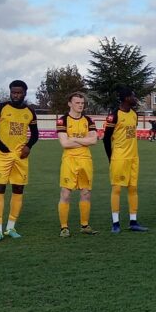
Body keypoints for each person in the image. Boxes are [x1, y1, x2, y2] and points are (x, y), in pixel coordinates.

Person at [0, 80, 38, 241]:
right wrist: (4, 149)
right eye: (13, 92)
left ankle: (10, 227)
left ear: (24, 93)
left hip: (20, 157)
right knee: (0, 189)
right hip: (3, 156)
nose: (16, 95)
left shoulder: (30, 111)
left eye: (19, 92)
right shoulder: (0, 108)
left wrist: (28, 146)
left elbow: (35, 134)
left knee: (18, 190)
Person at [103, 88, 148, 233]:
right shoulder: (114, 115)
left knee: (133, 189)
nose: (135, 98)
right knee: (116, 189)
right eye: (133, 96)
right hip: (119, 157)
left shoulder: (134, 114)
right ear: (126, 98)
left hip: (134, 157)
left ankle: (133, 221)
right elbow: (106, 139)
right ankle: (115, 223)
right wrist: (111, 157)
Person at [56, 91, 98, 237]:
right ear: (70, 104)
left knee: (86, 193)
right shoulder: (63, 120)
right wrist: (83, 141)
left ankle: (84, 225)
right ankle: (64, 227)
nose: (80, 106)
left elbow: (94, 140)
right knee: (66, 193)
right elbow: (64, 143)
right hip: (69, 160)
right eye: (77, 103)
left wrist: (74, 139)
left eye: (82, 103)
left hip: (86, 160)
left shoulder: (89, 120)